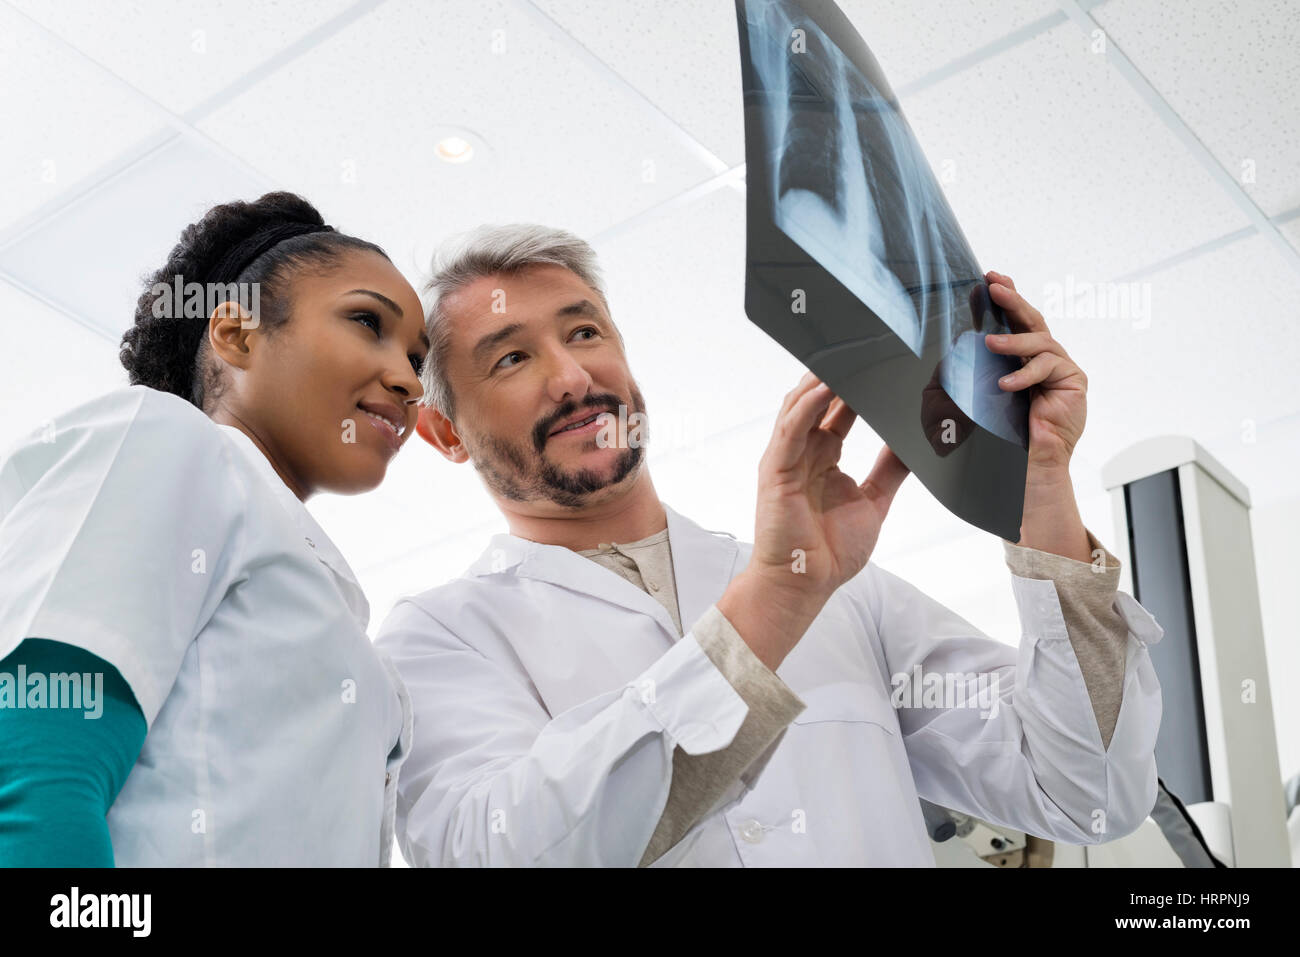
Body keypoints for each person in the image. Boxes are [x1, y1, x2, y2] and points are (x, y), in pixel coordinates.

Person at [376, 224, 1164, 867]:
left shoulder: (848, 591)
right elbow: (500, 853)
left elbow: (1083, 788)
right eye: (513, 357)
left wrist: (1043, 489)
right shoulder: (439, 638)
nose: (575, 376)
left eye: (585, 331)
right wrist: (775, 604)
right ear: (445, 431)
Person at [0, 191, 428, 866]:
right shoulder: (167, 440)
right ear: (236, 334)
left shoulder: (330, 605)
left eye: (418, 359)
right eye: (367, 322)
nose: (408, 380)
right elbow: (32, 770)